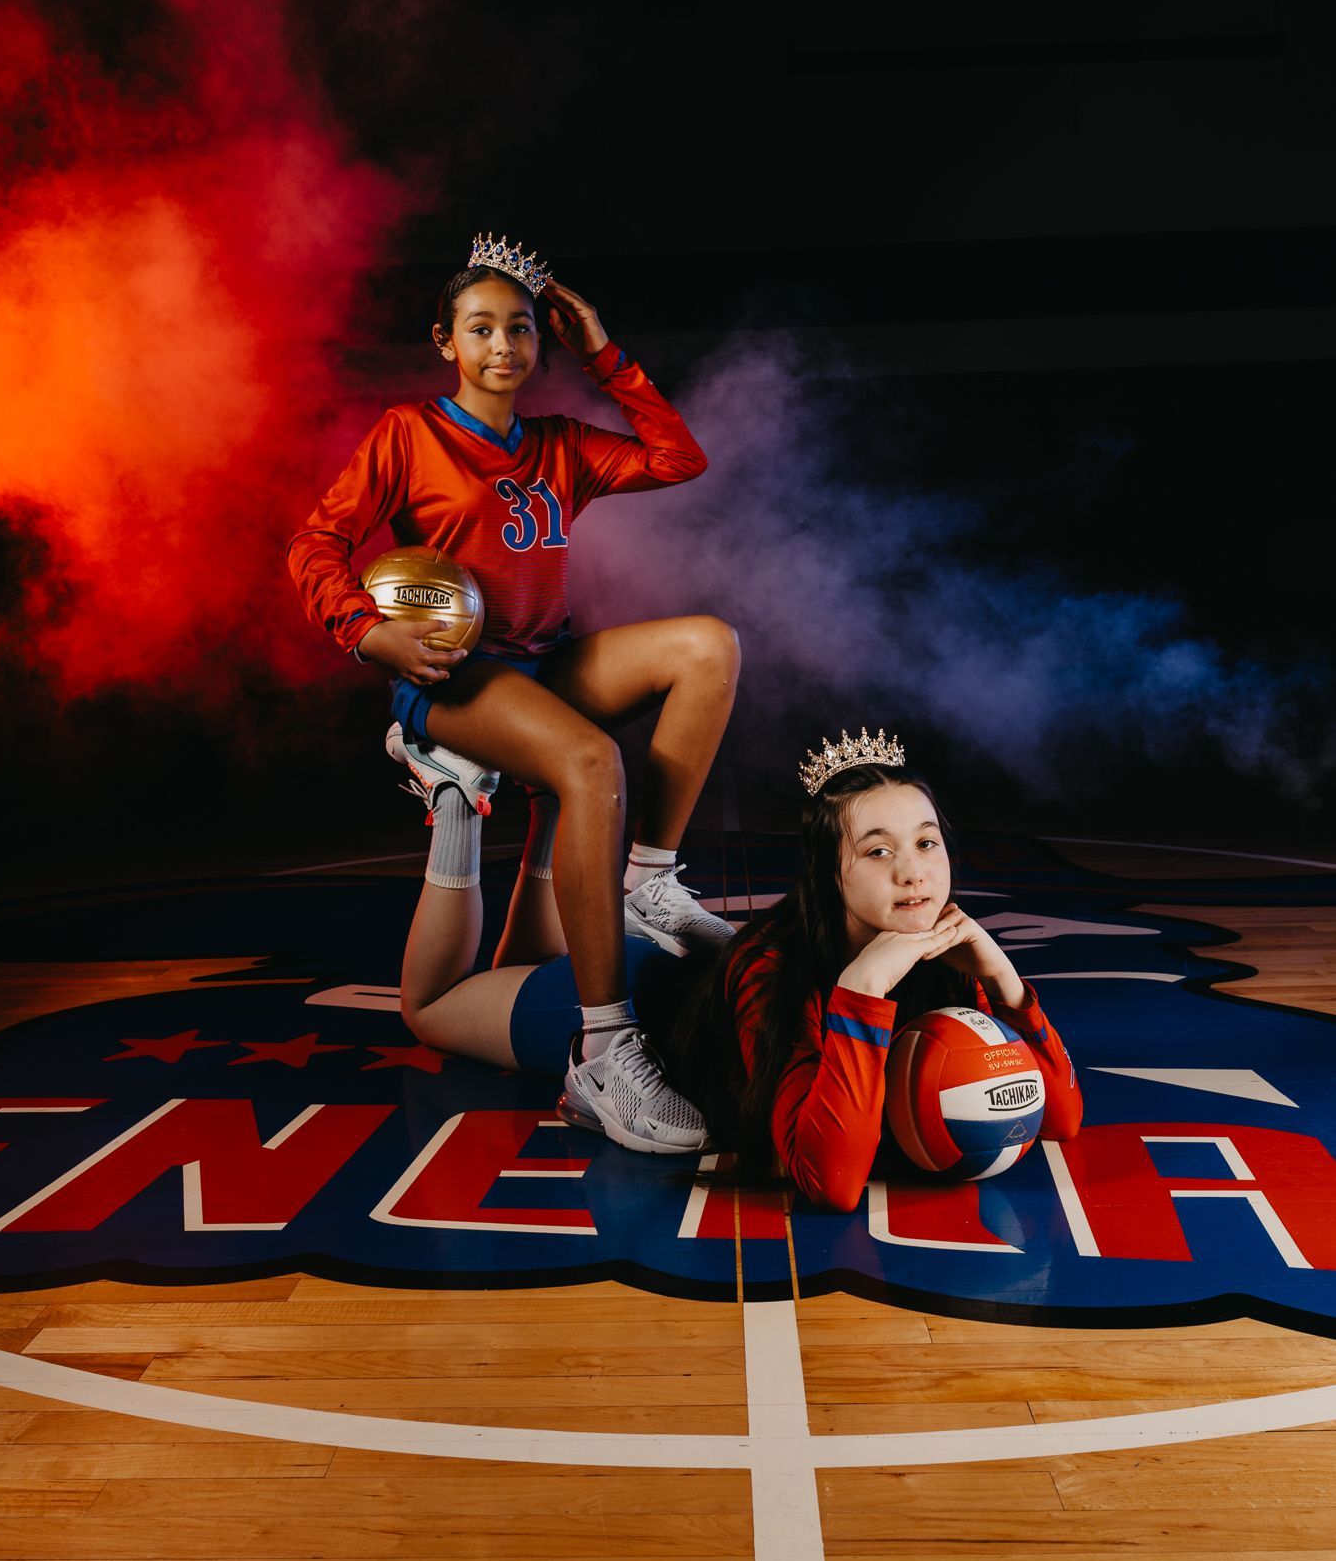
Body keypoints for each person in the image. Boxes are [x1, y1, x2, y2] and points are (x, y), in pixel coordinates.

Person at [287, 232, 739, 1156]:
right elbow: (314, 543)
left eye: (522, 328)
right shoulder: (408, 435)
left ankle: (647, 881)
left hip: (544, 660)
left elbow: (678, 458)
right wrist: (368, 631)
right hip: (460, 676)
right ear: (444, 342)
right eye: (481, 327)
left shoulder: (560, 444)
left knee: (708, 646)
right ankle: (604, 1051)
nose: (503, 344)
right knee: (591, 761)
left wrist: (602, 351)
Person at [674, 727, 1083, 1211]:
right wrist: (861, 990)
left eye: (926, 842)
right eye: (878, 851)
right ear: (829, 872)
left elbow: (1060, 1121)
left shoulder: (944, 950)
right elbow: (831, 1183)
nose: (913, 873)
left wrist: (1004, 983)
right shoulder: (771, 968)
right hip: (665, 1015)